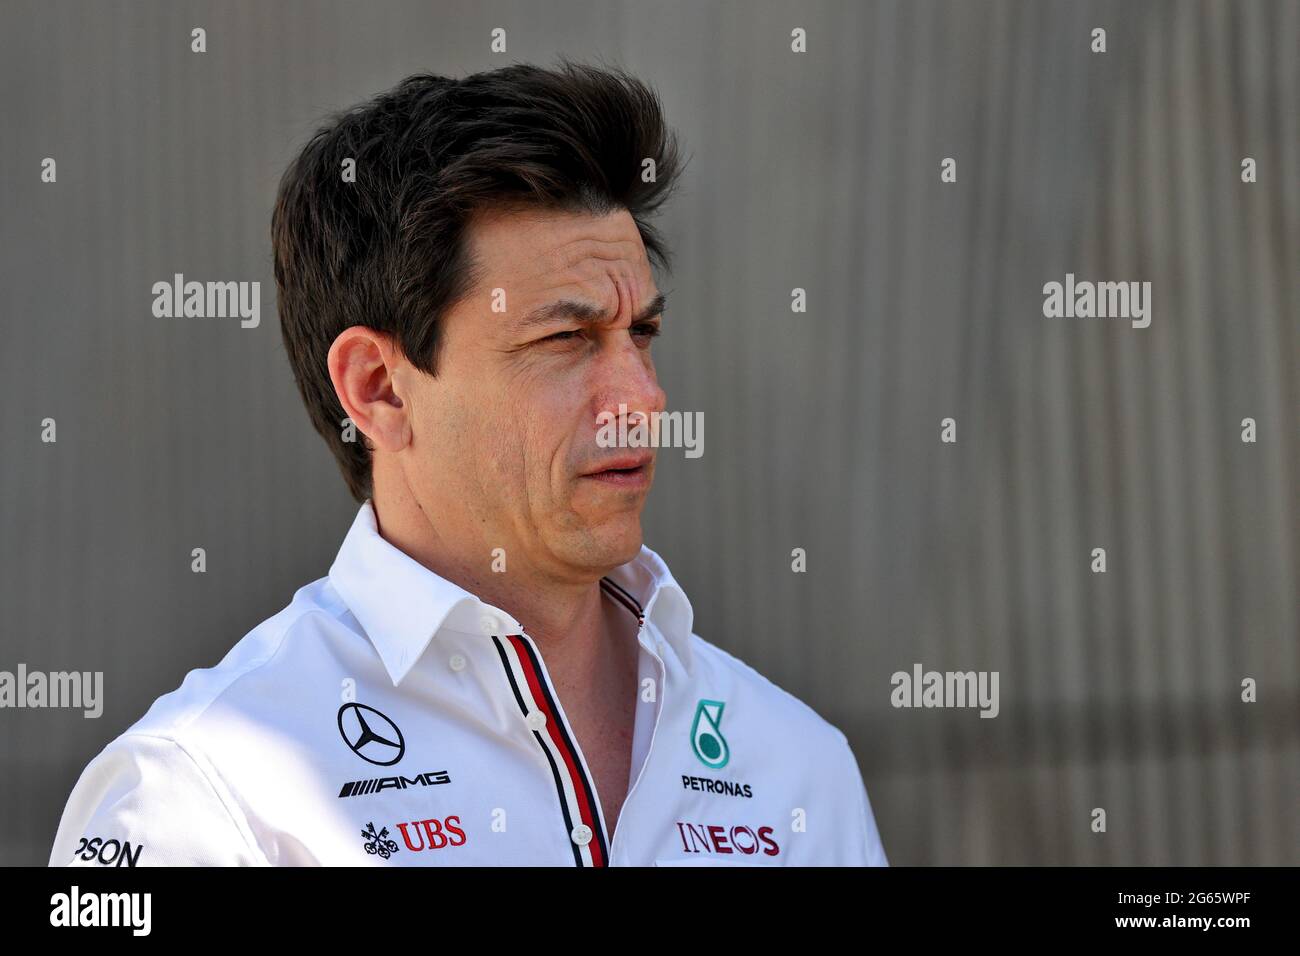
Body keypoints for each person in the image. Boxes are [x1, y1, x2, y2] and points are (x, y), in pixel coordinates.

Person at [49, 60, 887, 866]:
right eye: (566, 338)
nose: (643, 396)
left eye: (642, 334)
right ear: (378, 389)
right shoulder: (197, 798)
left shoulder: (795, 766)